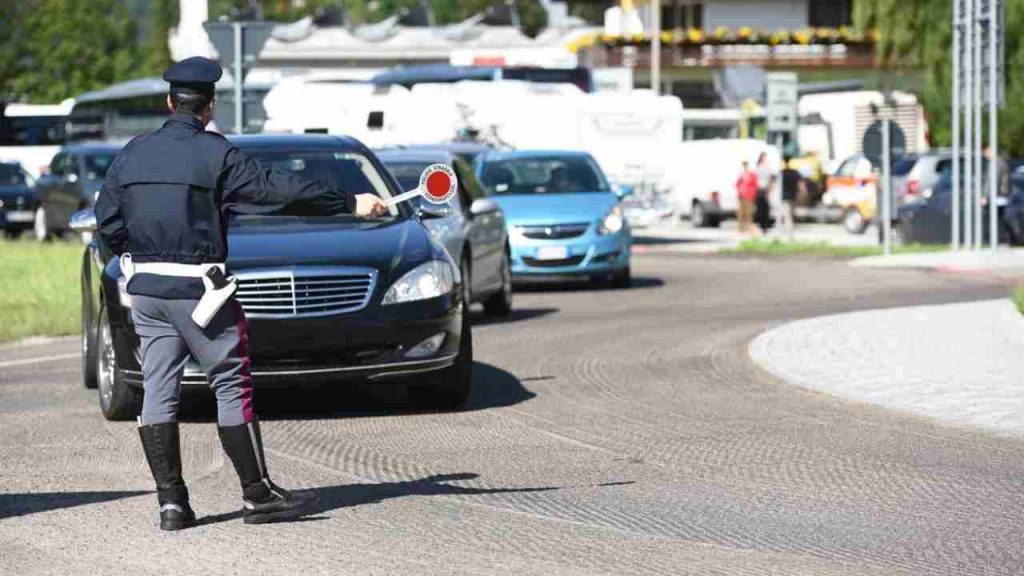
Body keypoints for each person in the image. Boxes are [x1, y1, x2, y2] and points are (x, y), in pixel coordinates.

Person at [94, 57, 388, 531]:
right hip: (199, 293)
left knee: (159, 390)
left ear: (170, 102)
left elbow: (107, 220)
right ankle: (257, 496)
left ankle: (171, 504)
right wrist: (350, 202)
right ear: (208, 107)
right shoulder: (216, 153)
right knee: (230, 383)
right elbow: (278, 192)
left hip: (145, 290)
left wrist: (140, 257)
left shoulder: (131, 152)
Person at [778, 156, 806, 240]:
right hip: (793, 196)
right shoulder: (795, 172)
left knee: (787, 215)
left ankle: (789, 234)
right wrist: (803, 193)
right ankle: (787, 230)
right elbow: (801, 184)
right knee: (790, 214)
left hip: (784, 197)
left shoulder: (781, 173)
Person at [735, 160, 758, 234]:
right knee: (741, 213)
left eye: (746, 165)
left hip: (749, 196)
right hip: (741, 196)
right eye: (744, 165)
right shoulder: (741, 175)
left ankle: (749, 228)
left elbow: (755, 185)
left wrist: (753, 194)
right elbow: (737, 184)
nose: (745, 167)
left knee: (749, 213)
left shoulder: (752, 174)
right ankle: (741, 228)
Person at [754, 151, 775, 233]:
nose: (764, 159)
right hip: (759, 189)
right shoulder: (758, 167)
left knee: (766, 208)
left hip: (765, 189)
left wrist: (769, 188)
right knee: (760, 209)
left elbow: (771, 178)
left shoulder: (768, 167)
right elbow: (755, 178)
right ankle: (761, 224)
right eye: (763, 157)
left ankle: (765, 226)